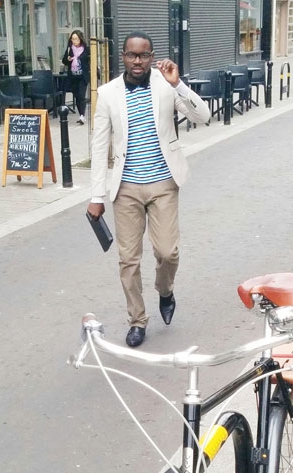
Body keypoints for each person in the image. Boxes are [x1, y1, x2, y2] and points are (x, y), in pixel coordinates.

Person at [87, 31, 210, 347]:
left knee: (168, 251)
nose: (137, 61)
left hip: (163, 184)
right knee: (128, 260)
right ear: (123, 57)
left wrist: (177, 84)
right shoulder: (108, 93)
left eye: (143, 55)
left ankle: (165, 290)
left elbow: (203, 116)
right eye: (131, 55)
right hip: (125, 188)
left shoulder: (164, 85)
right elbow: (100, 146)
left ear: (152, 56)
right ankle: (137, 320)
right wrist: (96, 196)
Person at [61, 30, 90, 125]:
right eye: (73, 39)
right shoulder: (70, 49)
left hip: (82, 75)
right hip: (73, 76)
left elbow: (89, 60)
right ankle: (81, 114)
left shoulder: (86, 49)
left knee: (81, 95)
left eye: (76, 39)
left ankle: (82, 116)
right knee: (77, 96)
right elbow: (64, 61)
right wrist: (68, 59)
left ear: (80, 39)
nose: (74, 41)